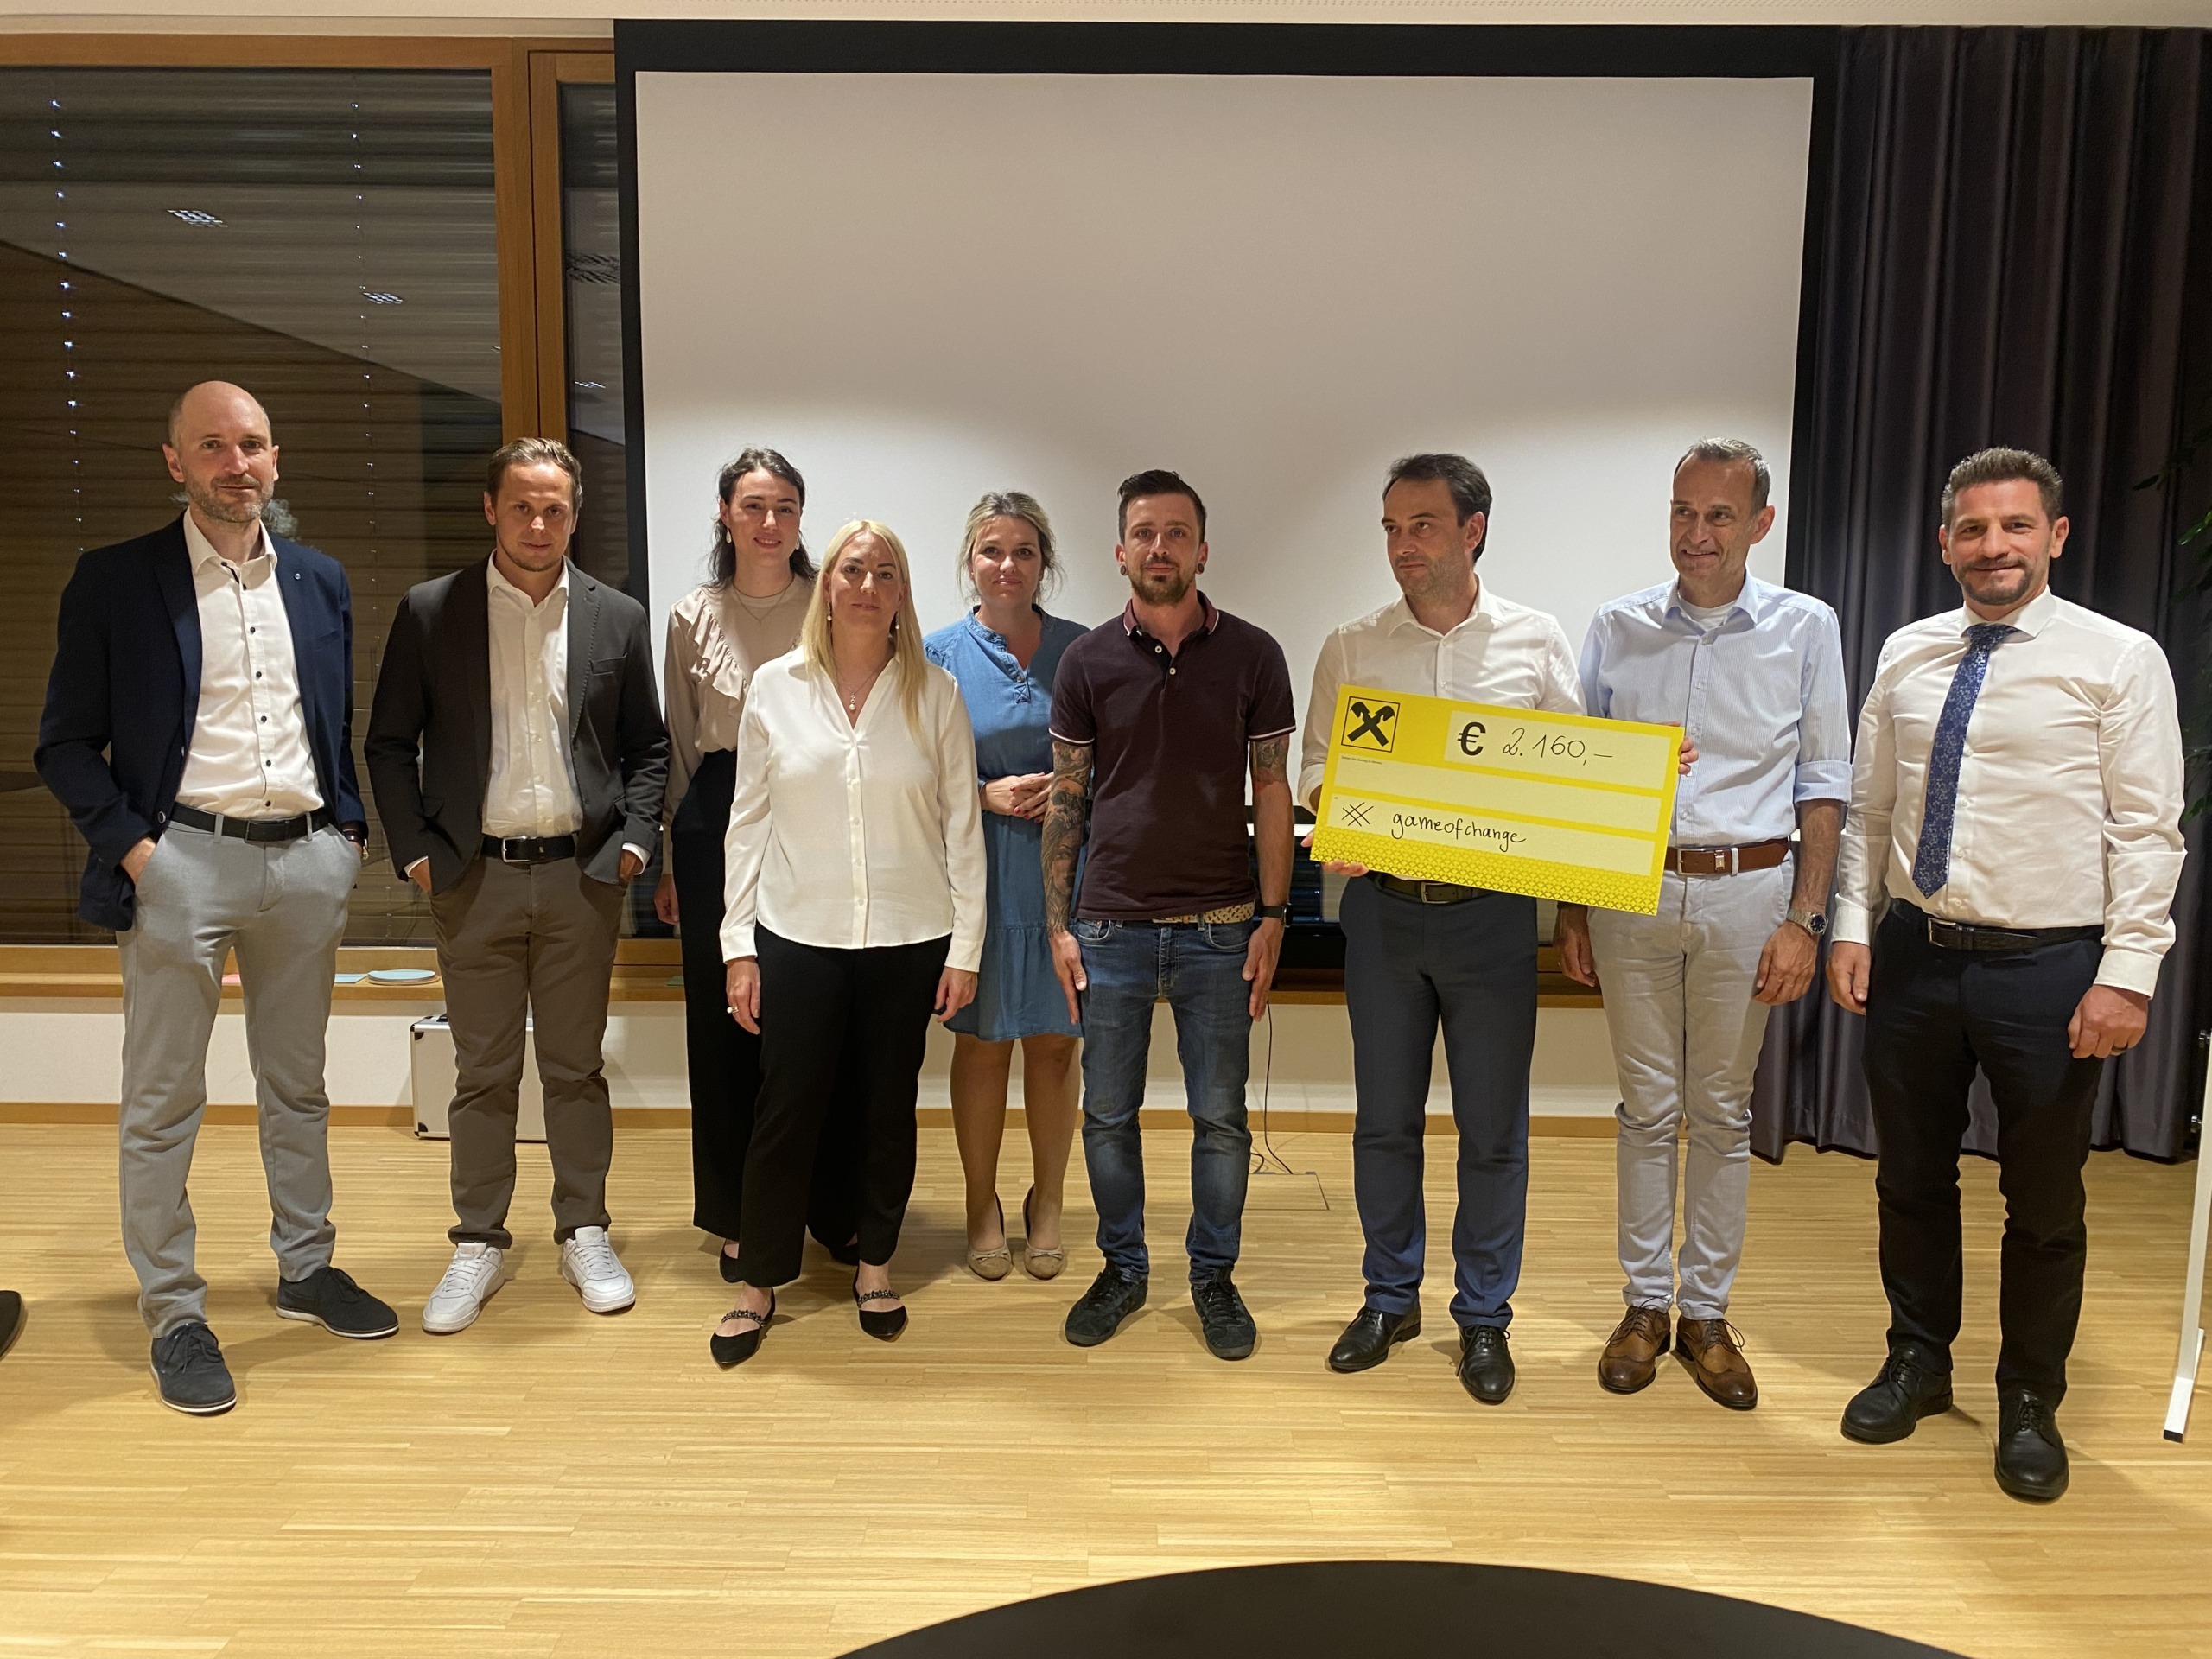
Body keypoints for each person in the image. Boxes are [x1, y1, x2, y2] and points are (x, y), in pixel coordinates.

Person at [1827, 447, 2186, 1502]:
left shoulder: (2118, 659)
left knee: (2042, 1200)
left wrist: (2127, 974)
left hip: (2051, 969)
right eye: (1973, 529)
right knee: (1908, 1179)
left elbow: (2147, 830)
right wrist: (1852, 927)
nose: (1994, 547)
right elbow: (1871, 810)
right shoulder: (1906, 652)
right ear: (1945, 544)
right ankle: (1917, 1360)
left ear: (2054, 536)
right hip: (1915, 959)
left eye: (2015, 526)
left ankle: (2029, 1395)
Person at [35, 379, 394, 1416]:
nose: (237, 464)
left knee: (299, 1087)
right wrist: (139, 854)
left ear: (276, 458)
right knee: (163, 1100)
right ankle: (175, 1312)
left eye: (253, 445)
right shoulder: (116, 581)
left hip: (305, 864)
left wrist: (347, 832)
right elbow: (64, 743)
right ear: (175, 462)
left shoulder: (319, 581)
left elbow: (332, 722)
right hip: (181, 862)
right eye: (213, 446)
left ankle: (306, 1268)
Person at [1555, 439, 1851, 1410]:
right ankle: (1646, 1306)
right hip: (1632, 894)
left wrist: (1806, 919)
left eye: (1719, 515)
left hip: (1750, 893)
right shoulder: (1617, 626)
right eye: (1683, 512)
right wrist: (1572, 908)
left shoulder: (1806, 628)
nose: (1697, 533)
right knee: (1645, 1109)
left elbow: (1823, 785)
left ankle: (1707, 1315)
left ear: (1759, 523)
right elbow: (1581, 776)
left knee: (1721, 1113)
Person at [366, 437, 669, 1335]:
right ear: (491, 510)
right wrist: (418, 854)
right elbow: (389, 743)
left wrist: (634, 844)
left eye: (556, 509)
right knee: (482, 1073)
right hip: (473, 877)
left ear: (575, 517)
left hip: (582, 877)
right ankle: (478, 1241)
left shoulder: (617, 617)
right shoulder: (433, 611)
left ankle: (584, 1229)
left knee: (576, 1069)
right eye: (523, 507)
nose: (540, 524)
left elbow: (648, 747)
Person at [1298, 454, 1579, 1402]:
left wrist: (1645, 775)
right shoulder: (1352, 647)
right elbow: (1314, 770)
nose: (1401, 544)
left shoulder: (1535, 641)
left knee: (1493, 1131)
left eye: (1421, 524)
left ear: (1473, 530)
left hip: (1492, 919)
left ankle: (1484, 1316)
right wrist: (1340, 811)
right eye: (1390, 527)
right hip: (1382, 916)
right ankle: (1390, 1298)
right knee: (1384, 1124)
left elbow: (1573, 776)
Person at [712, 521, 986, 1366]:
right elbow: (746, 823)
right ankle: (758, 1284)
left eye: (885, 573)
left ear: (902, 594)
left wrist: (966, 949)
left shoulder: (935, 693)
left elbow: (962, 825)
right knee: (785, 1111)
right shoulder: (775, 687)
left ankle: (874, 1267)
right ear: (827, 585)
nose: (868, 586)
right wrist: (737, 946)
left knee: (885, 1110)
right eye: (853, 570)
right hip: (798, 933)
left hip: (910, 935)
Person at [1045, 469, 1296, 1362]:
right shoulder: (1085, 663)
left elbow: (1273, 789)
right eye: (1145, 533)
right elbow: (1067, 798)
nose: (1161, 547)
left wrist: (1274, 916)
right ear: (1121, 552)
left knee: (1220, 1119)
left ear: (1202, 549)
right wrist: (1058, 926)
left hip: (1221, 927)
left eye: (1177, 532)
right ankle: (1123, 1269)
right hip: (1108, 928)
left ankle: (1213, 1278)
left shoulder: (1255, 655)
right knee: (1107, 1116)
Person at [658, 448, 862, 1280]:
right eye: (752, 506)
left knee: (821, 1018)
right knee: (726, 1026)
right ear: (725, 514)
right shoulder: (691, 615)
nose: (769, 522)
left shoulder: (834, 601)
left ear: (801, 518)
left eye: (784, 507)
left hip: (815, 815)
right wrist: (671, 860)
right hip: (713, 818)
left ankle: (834, 1207)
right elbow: (677, 746)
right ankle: (738, 1212)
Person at [924, 493, 1087, 1281]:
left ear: (1044, 562)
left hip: (1065, 879)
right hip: (976, 875)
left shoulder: (1084, 651)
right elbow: (908, 770)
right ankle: (979, 1201)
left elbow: (1123, 756)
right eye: (992, 550)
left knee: (1056, 1046)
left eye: (1024, 551)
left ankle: (1047, 1200)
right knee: (984, 1044)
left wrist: (1074, 788)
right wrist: (978, 793)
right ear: (970, 562)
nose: (1008, 565)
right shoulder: (936, 655)